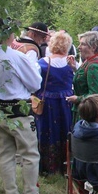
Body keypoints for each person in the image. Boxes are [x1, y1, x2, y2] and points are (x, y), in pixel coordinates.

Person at [0, 19, 43, 194]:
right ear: (8, 34)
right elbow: (35, 83)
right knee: (29, 154)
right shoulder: (16, 57)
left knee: (5, 155)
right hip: (18, 111)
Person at [35, 31, 75, 175]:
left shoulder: (42, 63)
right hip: (66, 101)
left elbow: (35, 83)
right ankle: (66, 164)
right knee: (66, 130)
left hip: (47, 102)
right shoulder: (71, 63)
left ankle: (48, 166)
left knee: (47, 131)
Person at [67, 31, 98, 129]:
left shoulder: (93, 66)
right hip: (88, 113)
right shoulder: (89, 61)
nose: (79, 47)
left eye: (83, 44)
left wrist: (77, 99)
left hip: (91, 117)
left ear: (93, 47)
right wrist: (75, 68)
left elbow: (96, 95)